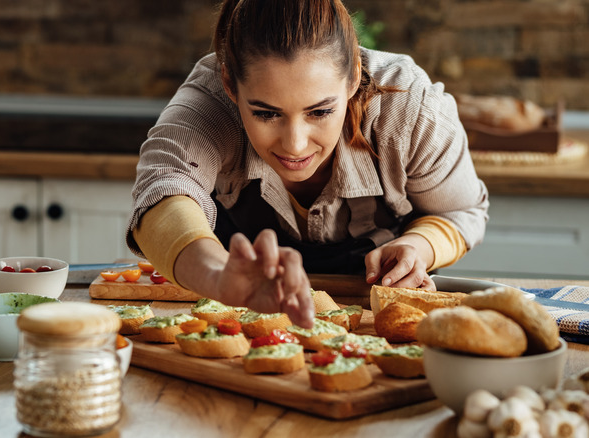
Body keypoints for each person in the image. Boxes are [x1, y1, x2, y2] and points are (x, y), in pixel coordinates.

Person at [126, 0, 489, 328]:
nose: (295, 145)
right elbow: (164, 191)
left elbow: (461, 211)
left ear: (353, 77)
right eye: (266, 113)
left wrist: (419, 246)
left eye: (320, 111)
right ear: (230, 85)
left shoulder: (409, 106)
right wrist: (218, 277)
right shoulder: (209, 103)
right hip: (237, 314)